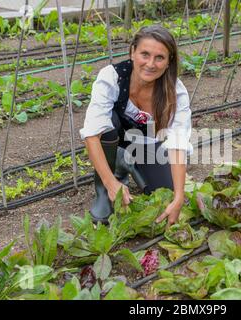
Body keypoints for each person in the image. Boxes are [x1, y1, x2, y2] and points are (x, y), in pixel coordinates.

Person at [79, 25, 192, 226]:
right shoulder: (112, 77)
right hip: (113, 138)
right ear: (132, 52)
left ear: (169, 62)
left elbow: (178, 144)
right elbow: (91, 134)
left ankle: (126, 162)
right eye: (145, 54)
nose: (150, 64)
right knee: (107, 124)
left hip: (144, 144)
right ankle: (105, 191)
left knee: (165, 191)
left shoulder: (175, 91)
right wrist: (110, 183)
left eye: (160, 57)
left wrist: (179, 197)